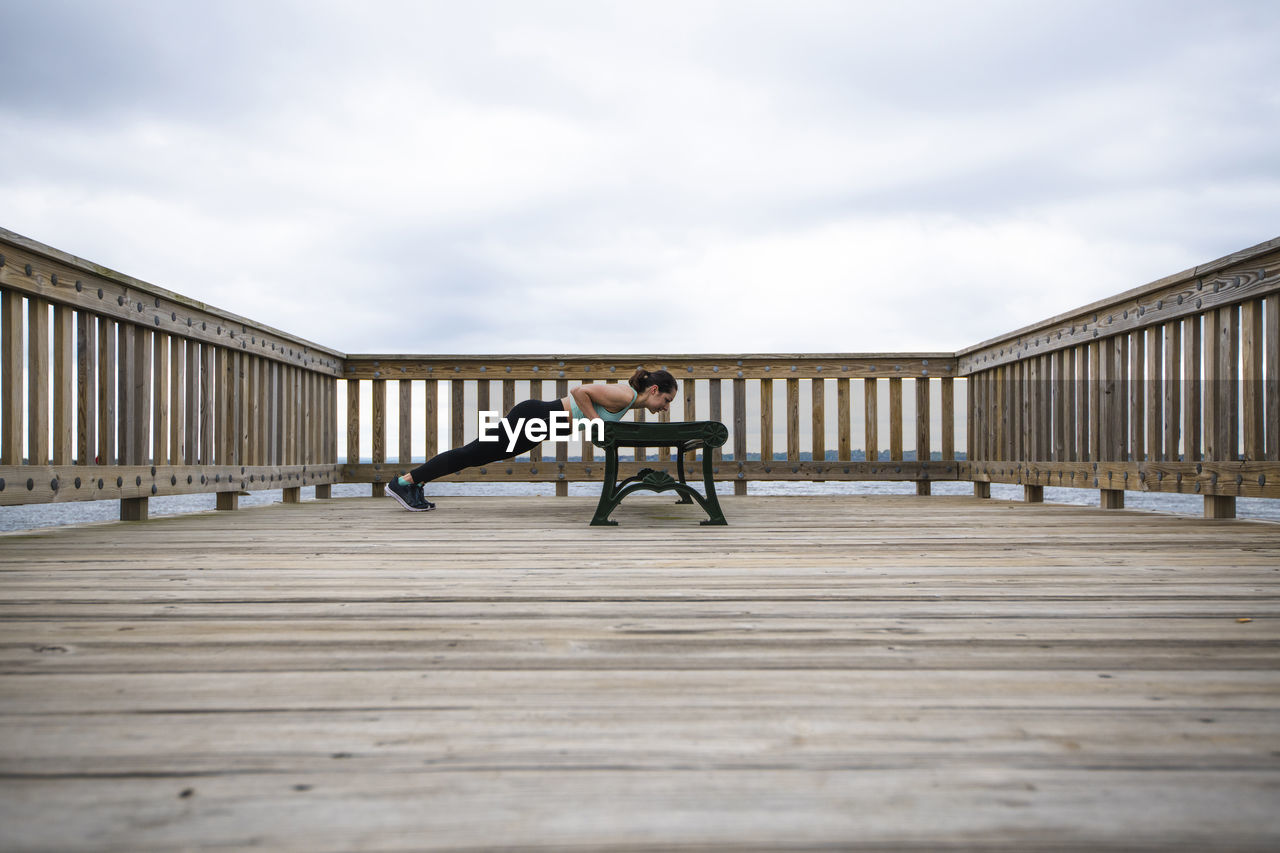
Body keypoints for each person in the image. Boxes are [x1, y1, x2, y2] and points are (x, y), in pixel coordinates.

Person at [384, 367, 678, 511]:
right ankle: (404, 483)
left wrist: (595, 423)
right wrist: (595, 421)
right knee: (470, 454)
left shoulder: (628, 403)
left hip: (537, 426)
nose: (665, 407)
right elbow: (579, 392)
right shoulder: (625, 395)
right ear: (653, 390)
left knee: (473, 455)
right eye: (666, 400)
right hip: (534, 418)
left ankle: (415, 483)